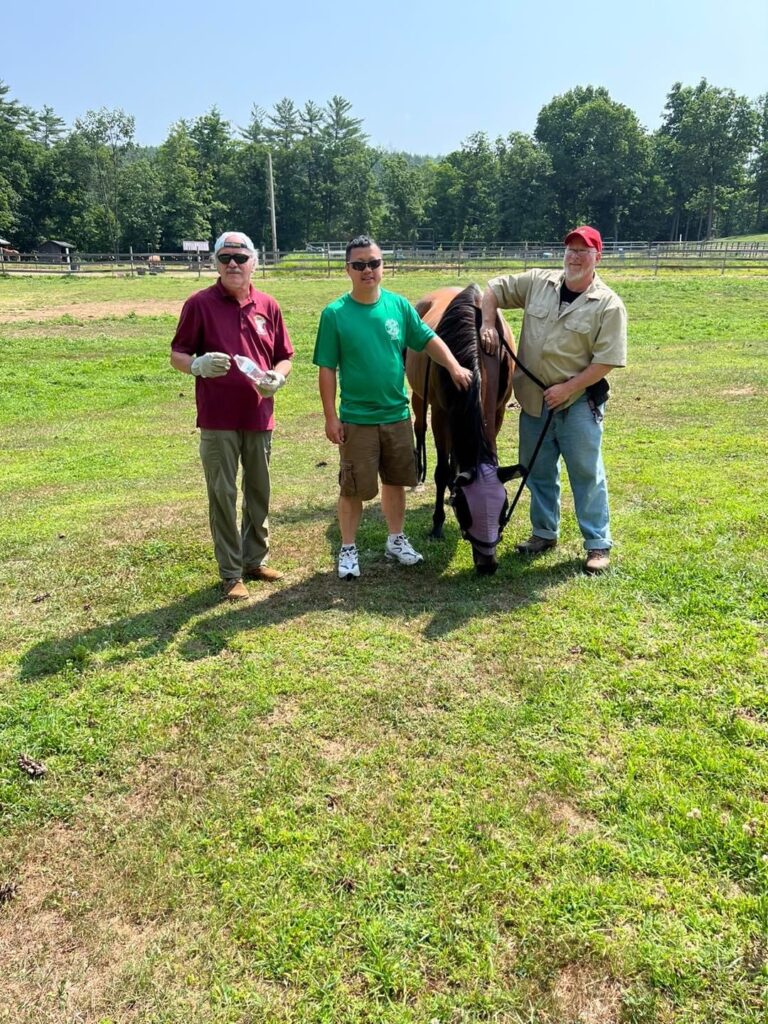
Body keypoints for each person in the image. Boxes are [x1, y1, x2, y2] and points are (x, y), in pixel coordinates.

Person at [314, 235, 473, 580]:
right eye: (359, 265)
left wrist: (454, 366)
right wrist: (330, 416)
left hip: (397, 415)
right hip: (357, 418)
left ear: (382, 266)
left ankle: (396, 539)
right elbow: (326, 368)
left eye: (373, 263)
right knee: (352, 487)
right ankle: (348, 548)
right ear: (348, 270)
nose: (367, 270)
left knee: (396, 482)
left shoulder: (399, 307)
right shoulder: (335, 314)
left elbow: (428, 340)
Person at [479, 226, 627, 573]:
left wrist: (570, 387)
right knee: (537, 471)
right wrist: (488, 323)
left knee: (586, 474)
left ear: (597, 257)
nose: (575, 257)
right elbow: (492, 289)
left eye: (583, 251)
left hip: (576, 404)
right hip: (533, 402)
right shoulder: (538, 283)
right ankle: (544, 533)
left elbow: (606, 360)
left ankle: (597, 544)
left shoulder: (608, 304)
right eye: (570, 250)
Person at [170, 231, 294, 599]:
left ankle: (255, 559)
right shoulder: (200, 304)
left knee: (259, 489)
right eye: (225, 258)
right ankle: (230, 571)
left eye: (241, 258)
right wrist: (197, 365)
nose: (233, 265)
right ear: (216, 263)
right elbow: (177, 354)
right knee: (222, 492)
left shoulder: (268, 305)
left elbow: (284, 356)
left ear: (255, 262)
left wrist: (278, 377)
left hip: (258, 414)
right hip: (218, 418)